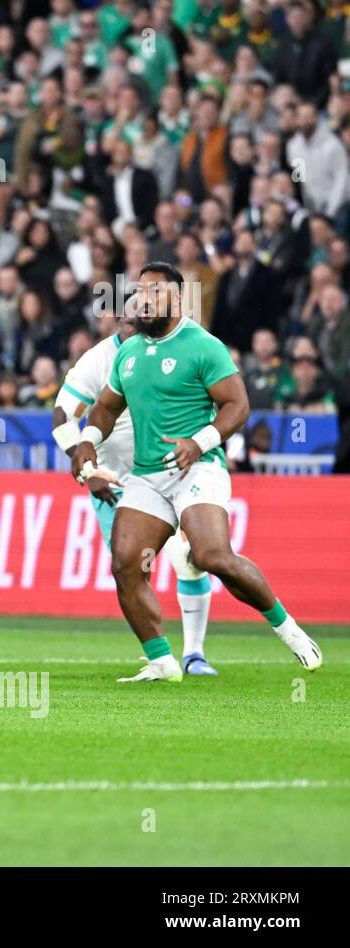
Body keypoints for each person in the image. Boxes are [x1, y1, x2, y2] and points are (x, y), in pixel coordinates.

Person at [69, 263, 322, 681]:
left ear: (177, 298)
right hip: (148, 475)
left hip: (199, 466)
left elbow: (238, 406)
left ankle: (288, 629)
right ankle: (163, 661)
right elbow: (106, 409)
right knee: (125, 563)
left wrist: (199, 442)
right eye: (139, 293)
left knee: (210, 555)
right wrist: (85, 442)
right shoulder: (129, 353)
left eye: (154, 292)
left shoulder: (203, 345)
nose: (143, 300)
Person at [52, 300, 219, 675]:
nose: (133, 327)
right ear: (116, 322)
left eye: (139, 320)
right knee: (131, 570)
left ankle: (194, 653)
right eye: (126, 321)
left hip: (171, 473)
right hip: (114, 482)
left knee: (187, 558)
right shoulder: (98, 361)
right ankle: (160, 655)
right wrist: (87, 469)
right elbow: (63, 416)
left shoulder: (180, 349)